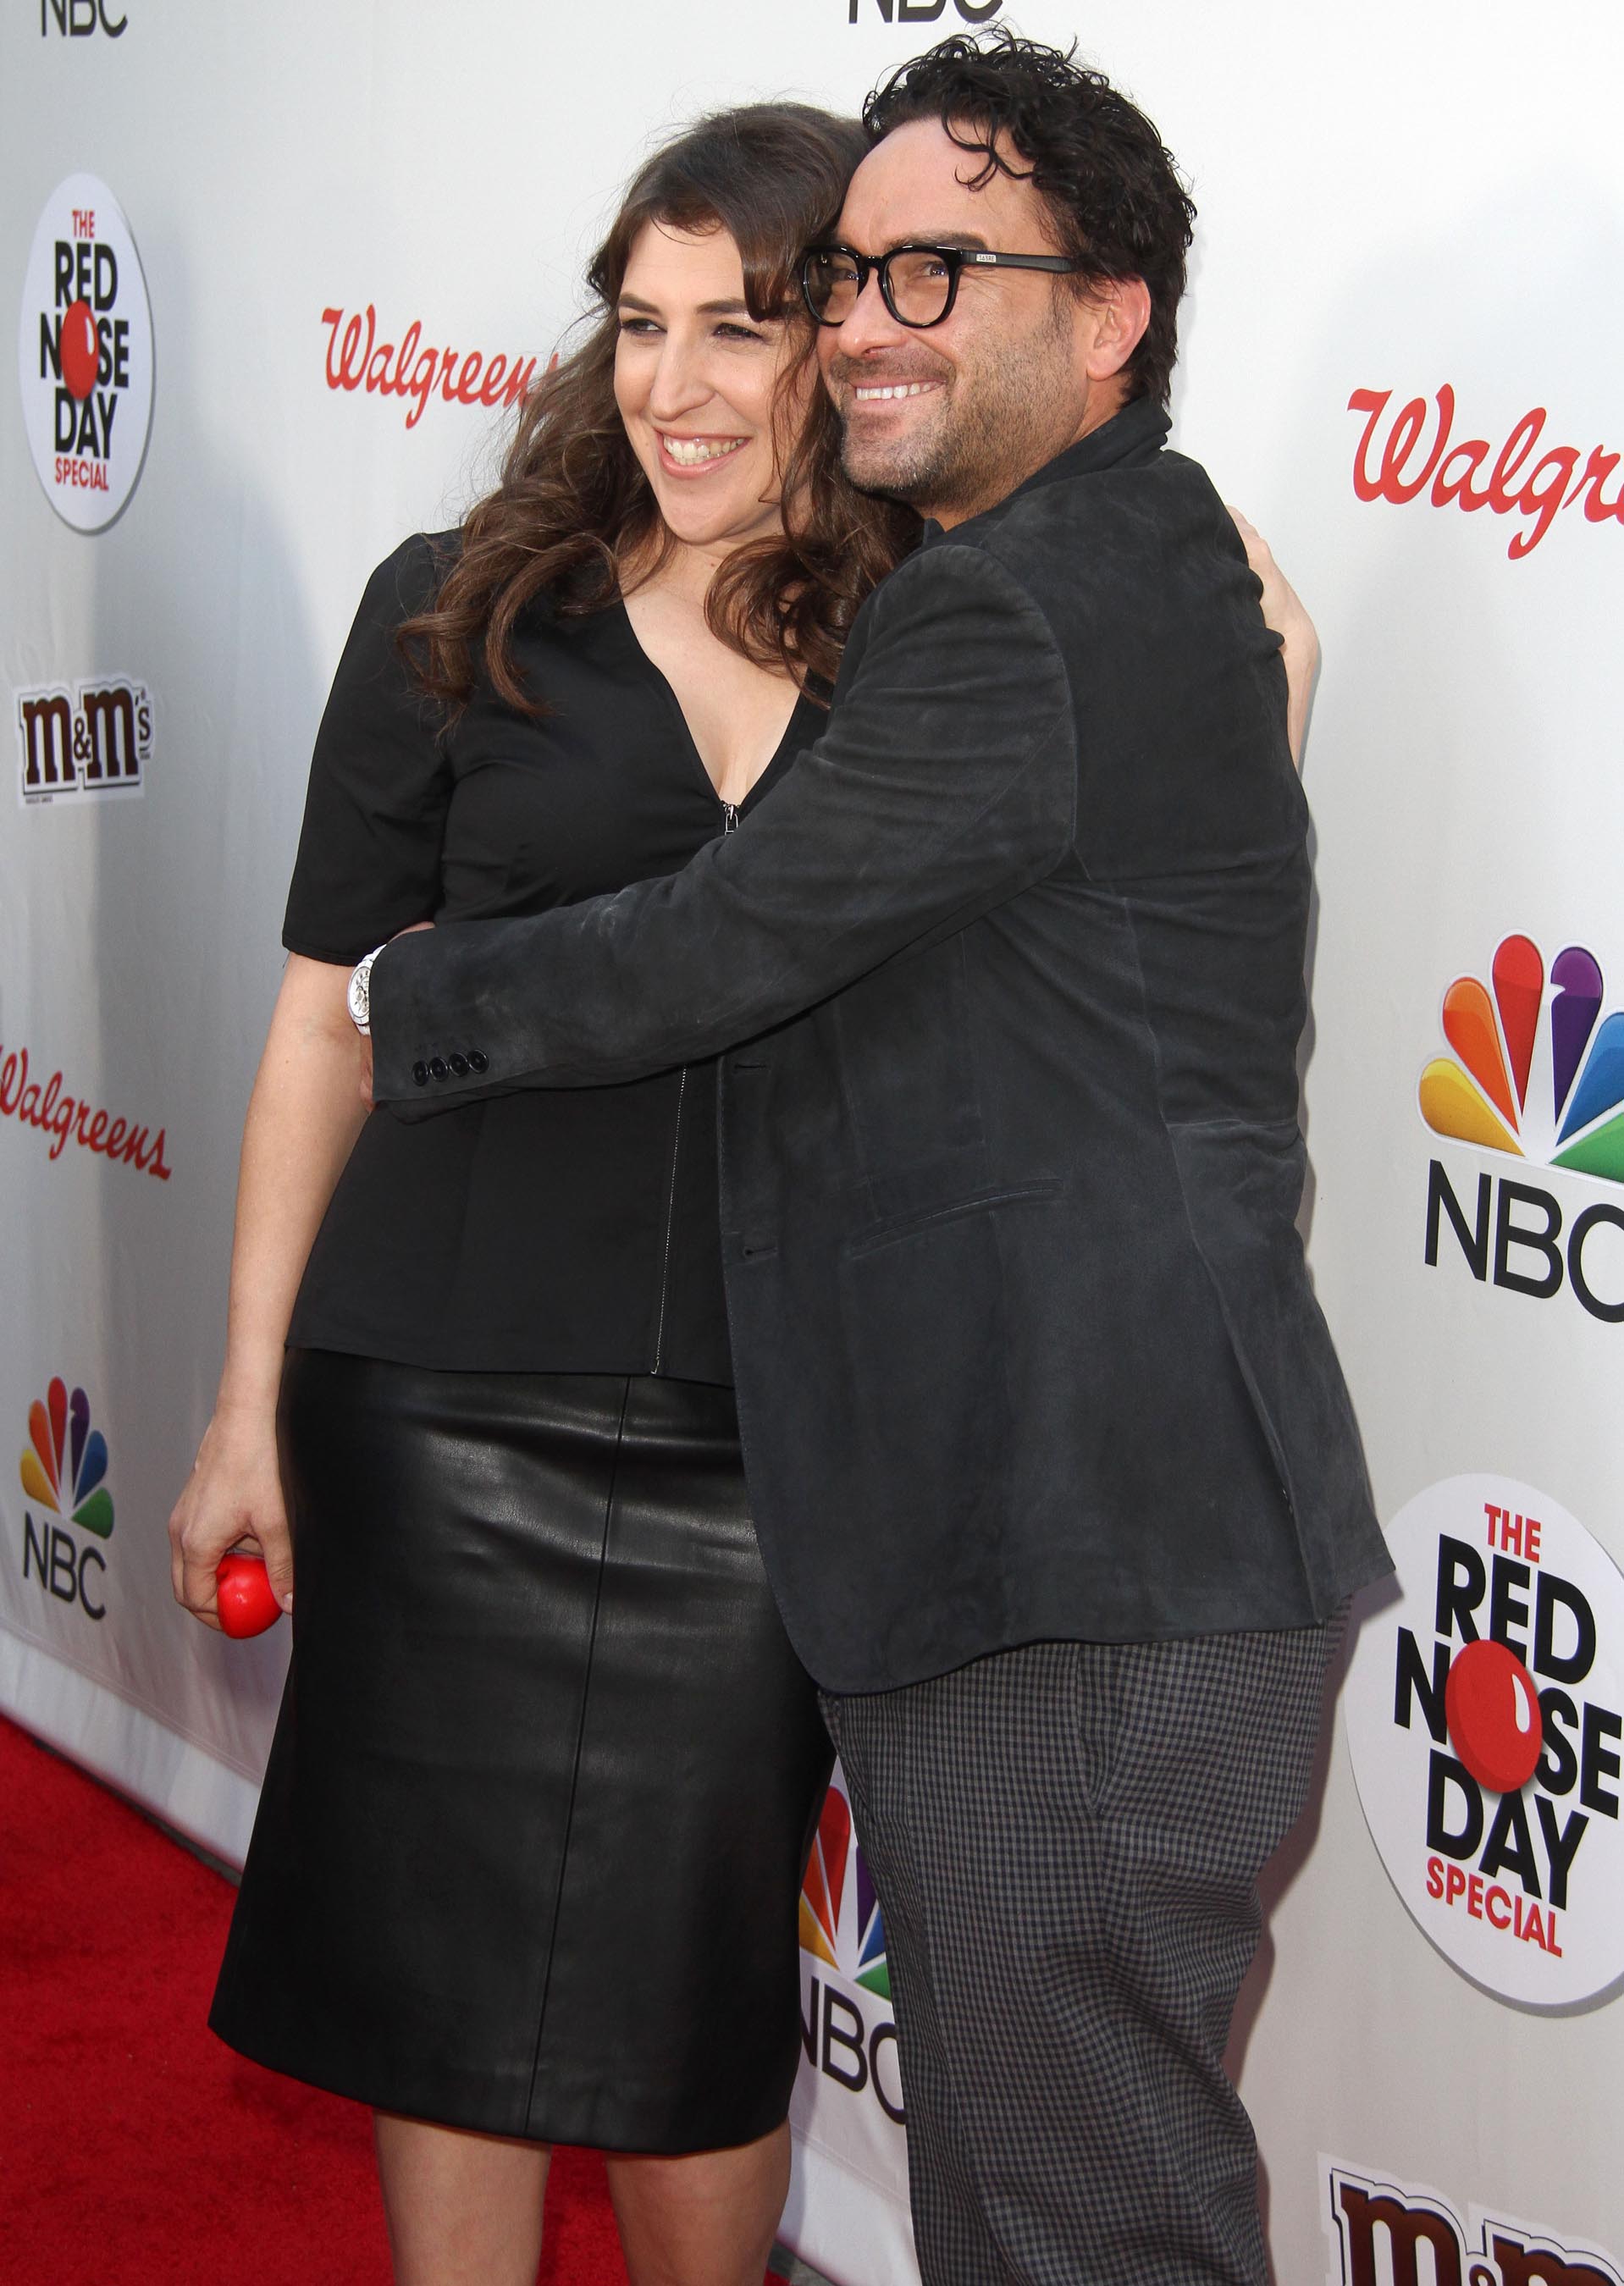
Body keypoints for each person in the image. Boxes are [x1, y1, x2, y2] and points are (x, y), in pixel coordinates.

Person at [362, 30, 1394, 2286]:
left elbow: (730, 939)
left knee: (1073, 2234)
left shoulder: (1012, 602)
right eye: (844, 276)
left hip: (1080, 1565)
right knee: (1034, 2213)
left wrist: (406, 993)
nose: (856, 328)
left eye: (935, 272)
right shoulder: (1106, 566)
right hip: (1068, 1553)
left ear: (1106, 313)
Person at [167, 106, 910, 2286]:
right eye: (641, 323)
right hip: (441, 1391)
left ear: (844, 341)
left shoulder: (938, 639)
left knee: (696, 2023)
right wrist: (238, 1408)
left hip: (769, 1435)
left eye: (741, 328)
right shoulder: (467, 602)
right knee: (446, 1987)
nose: (673, 384)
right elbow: (324, 1023)